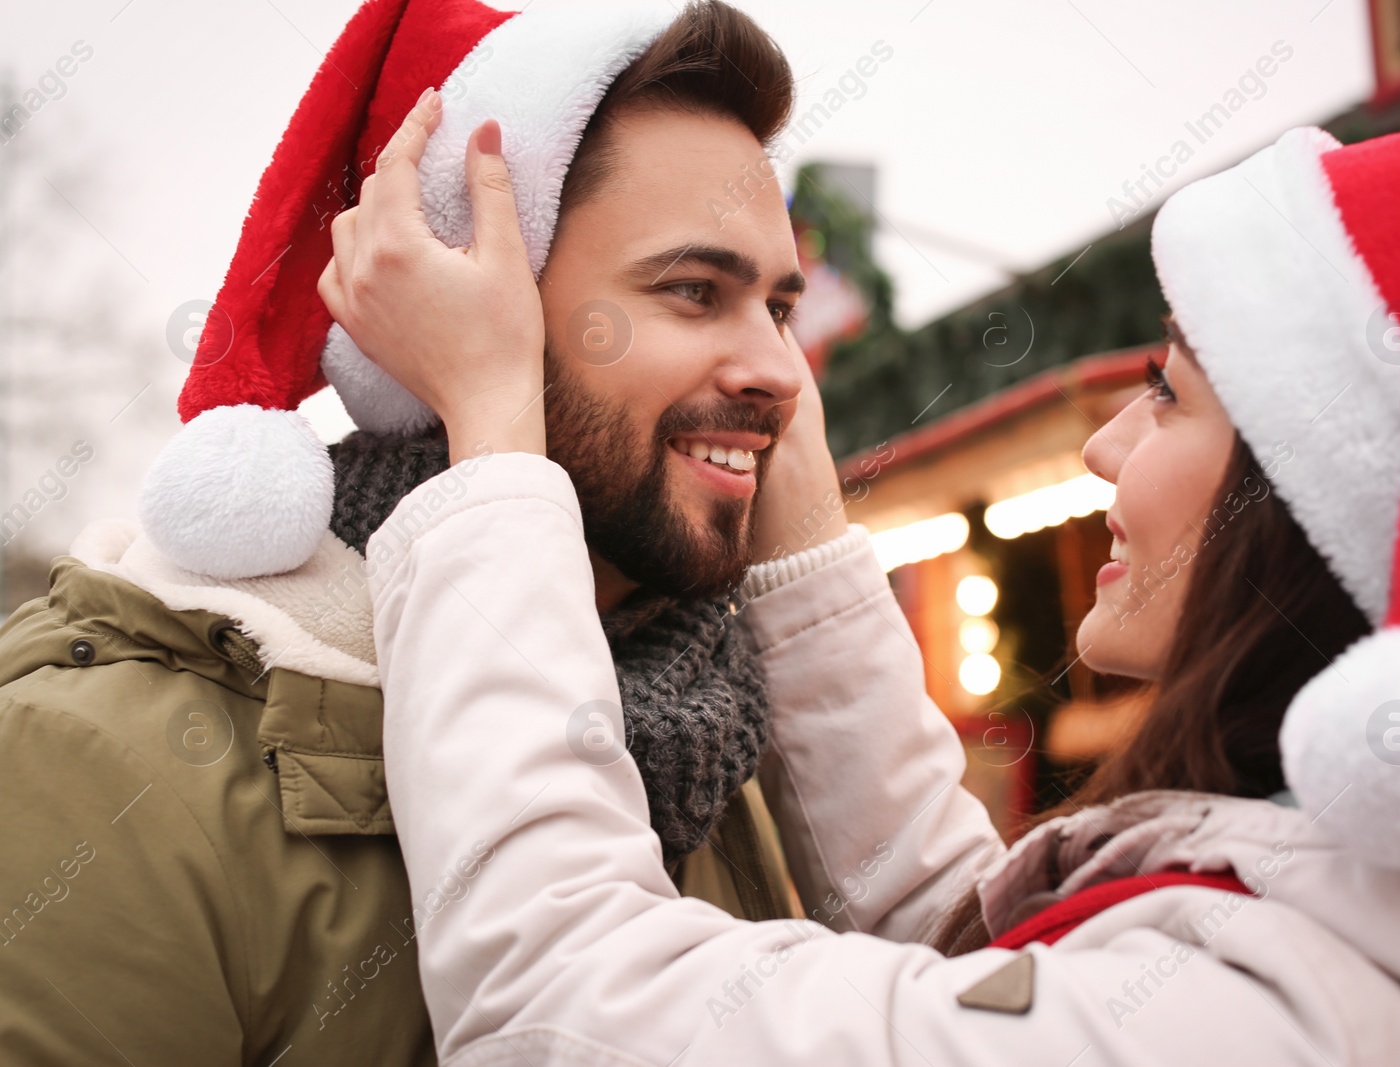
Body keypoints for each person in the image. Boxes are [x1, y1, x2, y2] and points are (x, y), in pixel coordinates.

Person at [334, 44, 1400, 1066]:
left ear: (1318, 500)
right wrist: (806, 534)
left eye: (1166, 391)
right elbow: (973, 964)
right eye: (697, 294)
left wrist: (496, 429)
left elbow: (563, 996)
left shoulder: (1291, 1007)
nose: (1105, 444)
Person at [0, 1, 816, 1061]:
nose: (781, 372)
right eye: (694, 291)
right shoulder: (98, 763)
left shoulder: (710, 735)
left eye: (780, 308)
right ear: (456, 312)